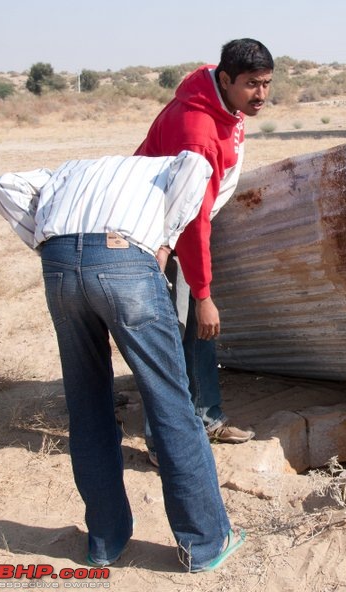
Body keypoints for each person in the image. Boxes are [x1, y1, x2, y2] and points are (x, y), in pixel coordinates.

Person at [0, 151, 245, 572]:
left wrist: (44, 239)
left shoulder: (67, 171)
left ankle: (105, 542)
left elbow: (4, 184)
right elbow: (198, 167)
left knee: (87, 404)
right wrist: (165, 238)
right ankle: (205, 543)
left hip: (58, 270)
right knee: (171, 404)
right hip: (125, 261)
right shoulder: (165, 166)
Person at [135, 38, 274, 451]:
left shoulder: (223, 96)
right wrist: (204, 293)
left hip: (180, 226)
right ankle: (163, 443)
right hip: (155, 233)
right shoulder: (197, 134)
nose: (261, 95)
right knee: (169, 335)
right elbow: (191, 220)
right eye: (252, 85)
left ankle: (207, 418)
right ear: (226, 79)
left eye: (267, 83)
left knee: (197, 334)